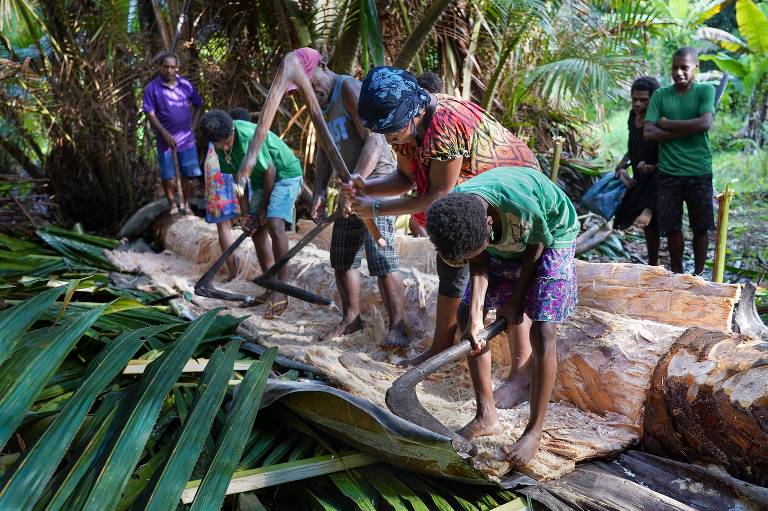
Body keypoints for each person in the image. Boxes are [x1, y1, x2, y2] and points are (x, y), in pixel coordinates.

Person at [346, 66, 539, 377]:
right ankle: (440, 348)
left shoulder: (445, 125)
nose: (390, 140)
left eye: (392, 131)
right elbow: (405, 178)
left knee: (509, 282)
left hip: (512, 198)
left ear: (412, 114)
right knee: (450, 266)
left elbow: (438, 196)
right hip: (469, 199)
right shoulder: (408, 125)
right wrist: (366, 186)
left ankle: (520, 374)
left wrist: (375, 208)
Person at [425, 166, 579, 466]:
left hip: (551, 235)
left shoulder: (519, 203)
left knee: (544, 328)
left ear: (486, 223)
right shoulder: (459, 210)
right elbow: (479, 264)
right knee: (469, 318)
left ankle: (533, 431)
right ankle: (486, 415)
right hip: (506, 236)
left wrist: (516, 302)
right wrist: (476, 316)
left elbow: (535, 247)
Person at [276, 48, 410, 347]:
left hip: (376, 181)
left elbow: (375, 140)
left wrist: (356, 183)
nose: (308, 92)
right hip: (351, 186)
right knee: (342, 257)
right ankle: (352, 319)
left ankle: (398, 328)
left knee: (382, 258)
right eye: (300, 89)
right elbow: (325, 149)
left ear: (323, 64)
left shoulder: (348, 88)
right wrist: (320, 189)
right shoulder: (317, 105)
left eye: (310, 83)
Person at [199, 109, 303, 317]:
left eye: (228, 142)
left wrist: (263, 209)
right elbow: (239, 179)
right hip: (258, 181)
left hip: (285, 174)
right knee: (256, 232)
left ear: (233, 131)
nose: (226, 147)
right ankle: (270, 286)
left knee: (274, 223)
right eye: (222, 145)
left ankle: (283, 289)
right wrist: (246, 214)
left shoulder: (247, 136)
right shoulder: (218, 143)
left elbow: (270, 170)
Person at [644, 47, 716, 275]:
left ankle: (698, 273)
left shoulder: (705, 91)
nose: (678, 72)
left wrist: (666, 124)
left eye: (684, 67)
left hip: (699, 170)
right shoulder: (661, 95)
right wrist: (687, 128)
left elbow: (705, 123)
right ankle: (677, 273)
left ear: (696, 67)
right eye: (675, 67)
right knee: (672, 228)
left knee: (701, 227)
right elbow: (648, 132)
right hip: (669, 172)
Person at [142, 52, 203, 215]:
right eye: (166, 67)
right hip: (164, 139)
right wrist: (164, 133)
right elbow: (150, 113)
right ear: (161, 67)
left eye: (173, 67)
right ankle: (173, 205)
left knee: (189, 174)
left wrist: (194, 126)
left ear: (177, 68)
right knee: (167, 175)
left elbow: (198, 104)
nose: (169, 70)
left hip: (186, 139)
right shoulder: (152, 88)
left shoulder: (185, 85)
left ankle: (187, 204)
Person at [613, 76, 661, 266]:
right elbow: (632, 144)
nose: (638, 104)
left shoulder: (659, 120)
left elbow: (667, 150)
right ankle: (653, 263)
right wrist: (622, 164)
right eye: (634, 99)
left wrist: (654, 166)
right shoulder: (633, 117)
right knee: (648, 226)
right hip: (640, 173)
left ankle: (658, 263)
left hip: (659, 173)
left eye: (643, 100)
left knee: (653, 220)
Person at [201, 108, 253, 280]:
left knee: (223, 227)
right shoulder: (240, 137)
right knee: (251, 221)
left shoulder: (216, 139)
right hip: (234, 177)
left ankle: (233, 273)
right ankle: (250, 270)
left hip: (215, 176)